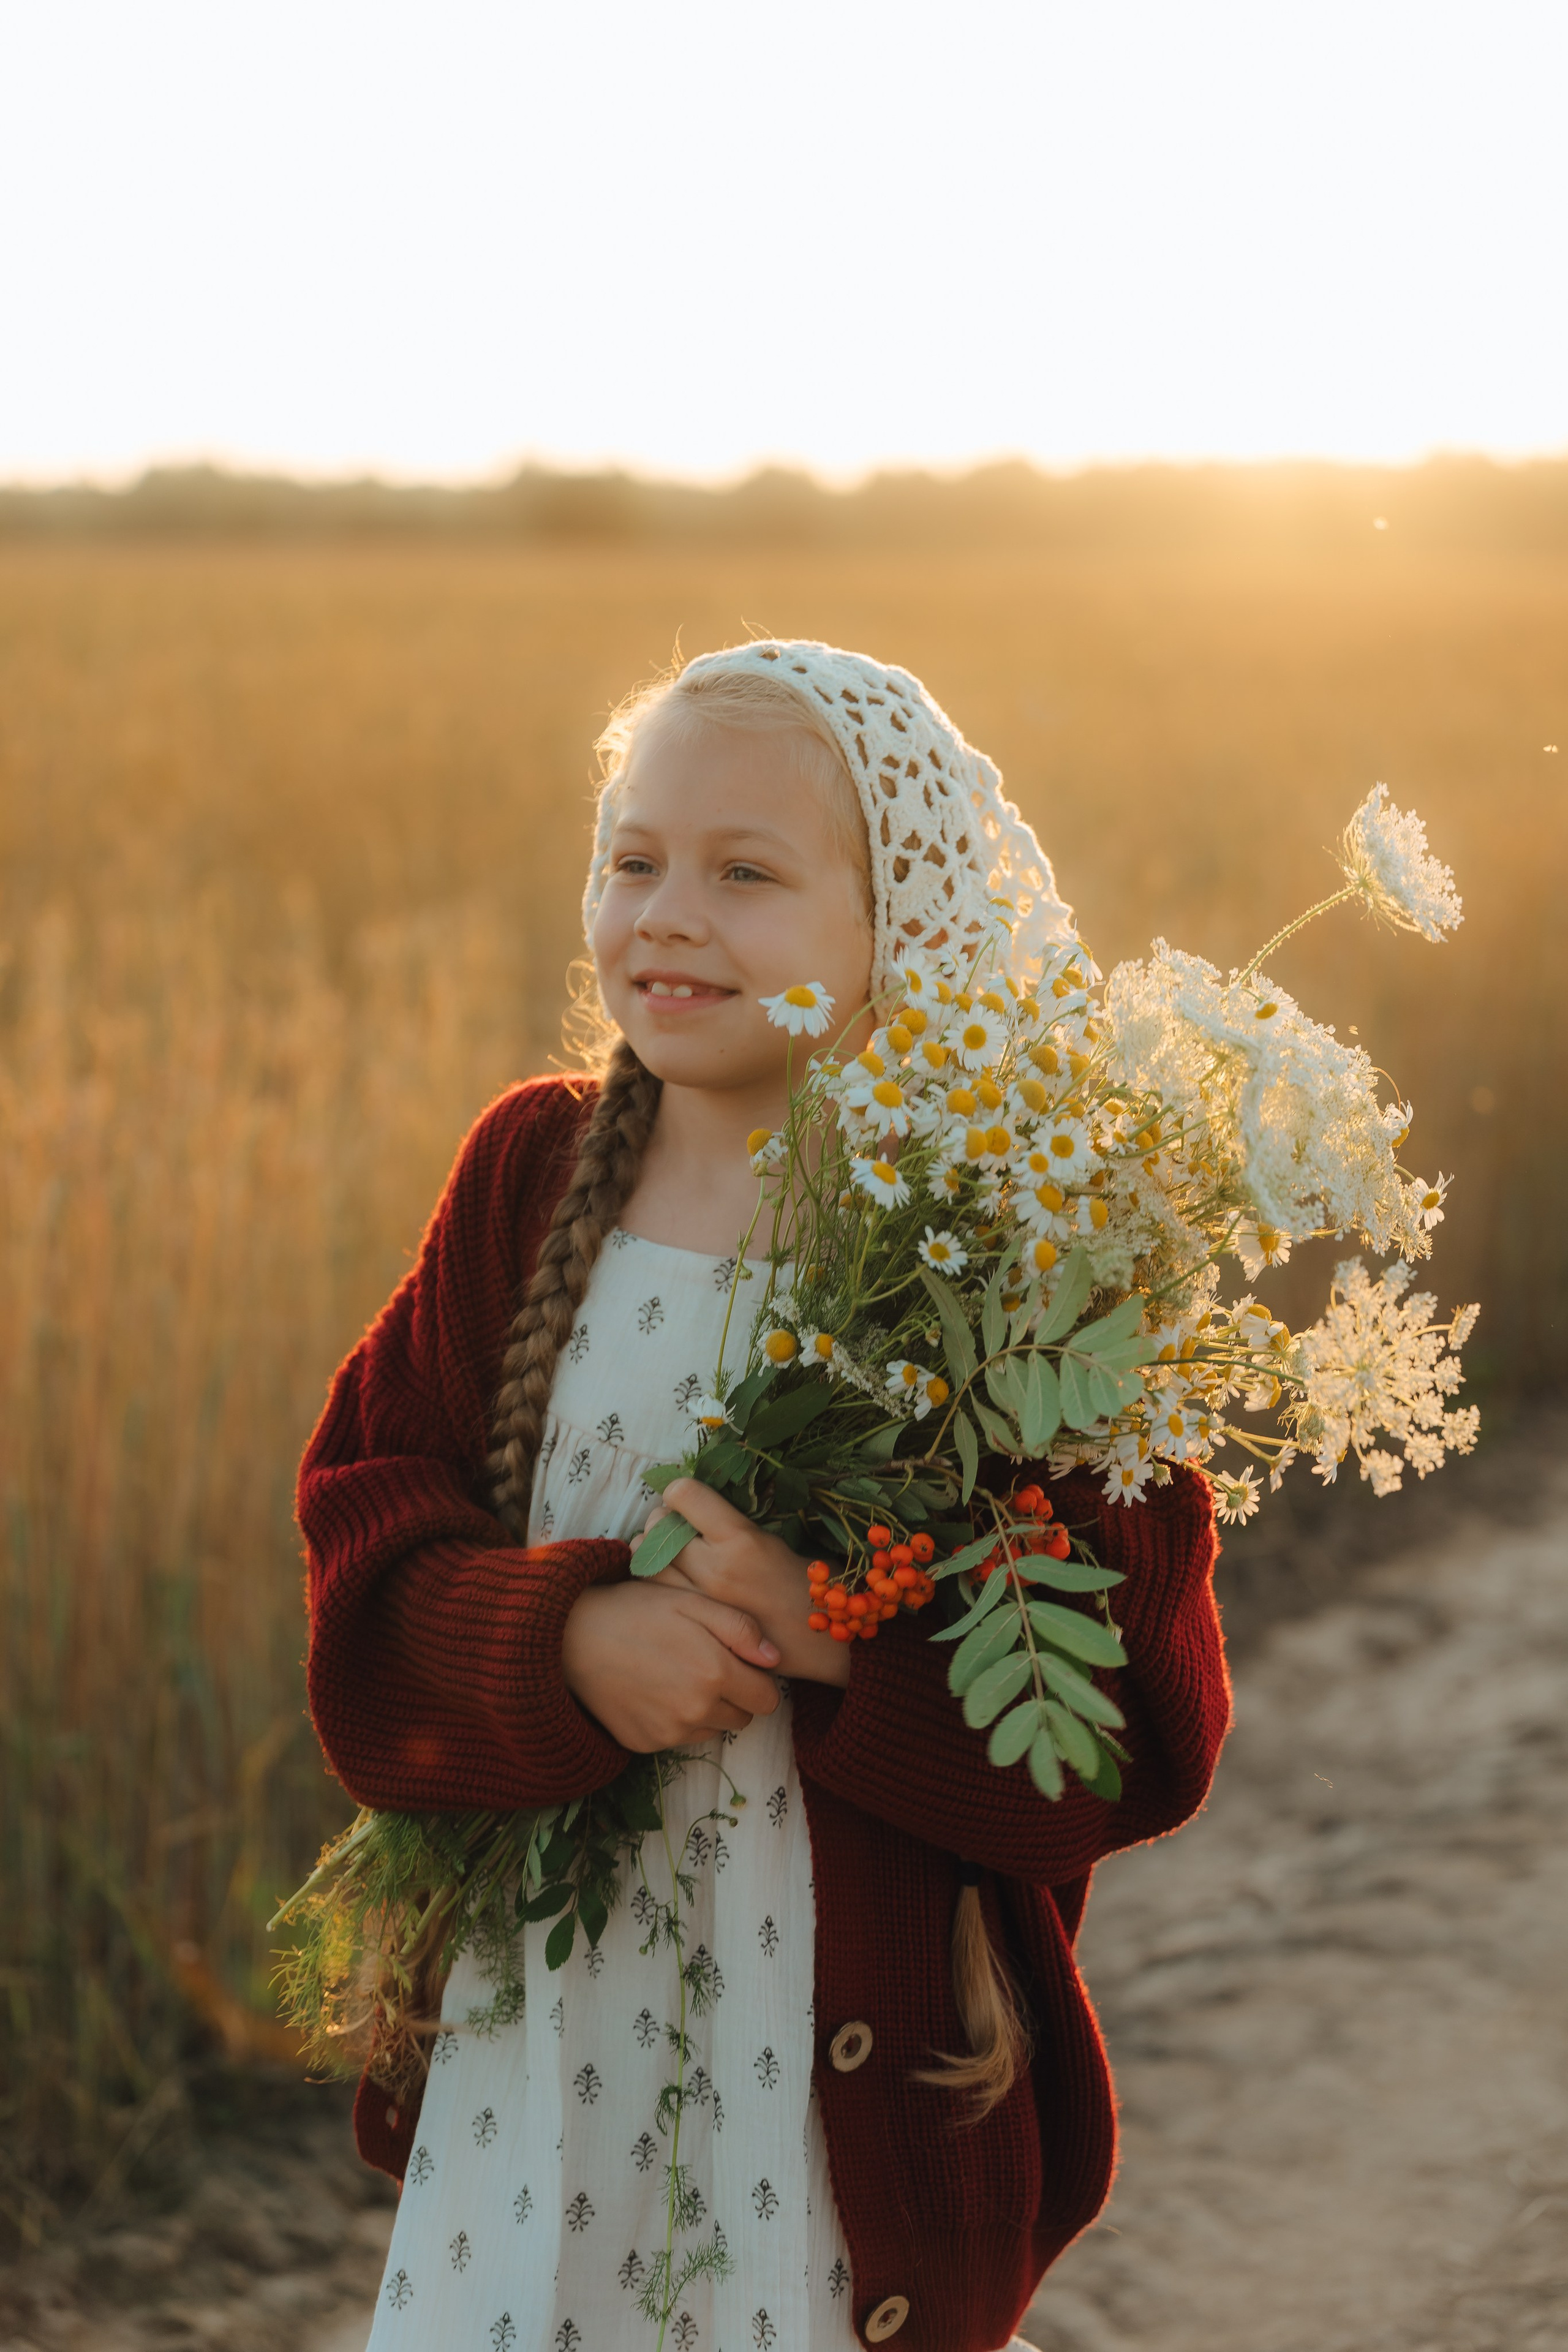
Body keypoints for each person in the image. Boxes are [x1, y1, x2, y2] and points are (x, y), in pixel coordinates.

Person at [299, 639, 1231, 2352]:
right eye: (632, 859)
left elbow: (1134, 1721)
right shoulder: (531, 1174)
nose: (667, 912)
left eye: (746, 874)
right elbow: (368, 1524)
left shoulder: (1017, 1243)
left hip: (830, 2082)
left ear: (904, 929)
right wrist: (567, 1642)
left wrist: (841, 1637)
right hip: (544, 2046)